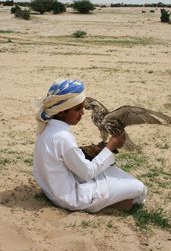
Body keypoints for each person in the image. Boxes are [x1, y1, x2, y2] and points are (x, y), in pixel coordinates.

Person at [33, 78, 147, 213]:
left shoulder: (47, 128)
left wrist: (94, 151)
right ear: (62, 112)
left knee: (114, 172)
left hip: (51, 191)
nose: (83, 113)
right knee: (140, 189)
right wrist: (110, 147)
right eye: (77, 109)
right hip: (71, 198)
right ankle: (110, 204)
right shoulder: (63, 137)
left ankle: (112, 198)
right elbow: (87, 173)